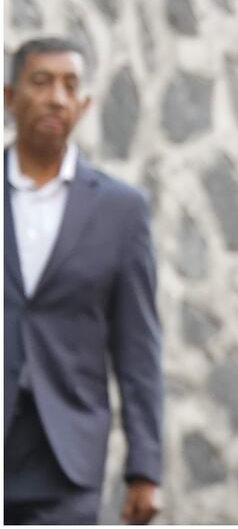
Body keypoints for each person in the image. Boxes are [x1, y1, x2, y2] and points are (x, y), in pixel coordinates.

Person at [4, 37, 163, 524]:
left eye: (70, 85)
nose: (56, 96)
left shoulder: (121, 210)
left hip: (66, 454)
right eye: (41, 81)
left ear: (85, 104)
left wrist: (145, 469)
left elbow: (138, 347)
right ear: (9, 96)